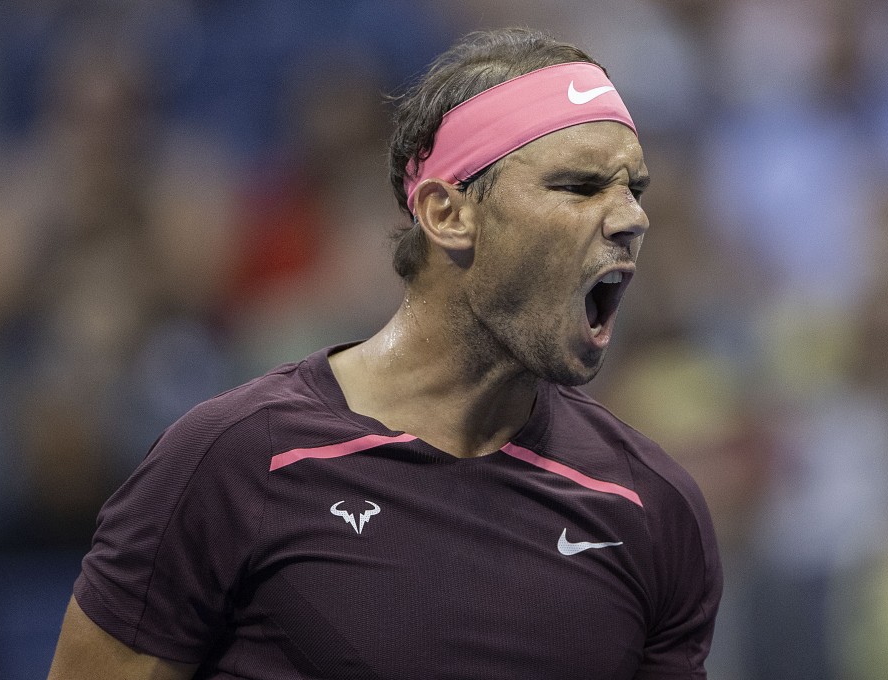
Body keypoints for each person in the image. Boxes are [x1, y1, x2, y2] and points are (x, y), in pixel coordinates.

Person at [48, 27, 722, 679]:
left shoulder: (654, 510)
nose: (631, 219)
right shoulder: (232, 461)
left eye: (633, 190)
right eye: (578, 187)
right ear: (446, 212)